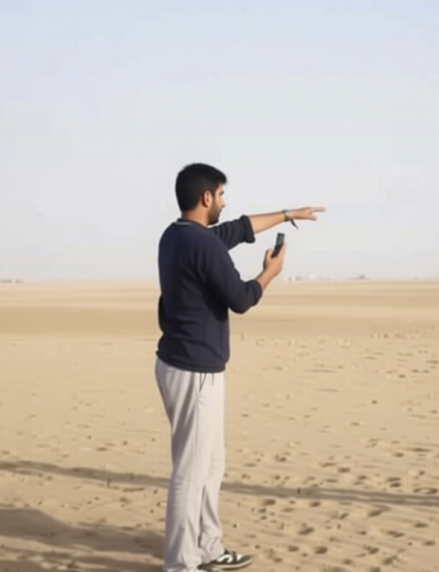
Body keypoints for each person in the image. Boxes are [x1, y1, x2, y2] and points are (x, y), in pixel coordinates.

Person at [154, 163, 324, 572]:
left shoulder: (176, 236)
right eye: (221, 195)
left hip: (184, 365)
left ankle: (209, 547)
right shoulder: (202, 245)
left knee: (211, 465)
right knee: (190, 472)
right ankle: (180, 564)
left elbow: (238, 229)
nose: (224, 202)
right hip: (194, 370)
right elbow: (243, 298)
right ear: (206, 197)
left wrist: (287, 214)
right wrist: (270, 273)